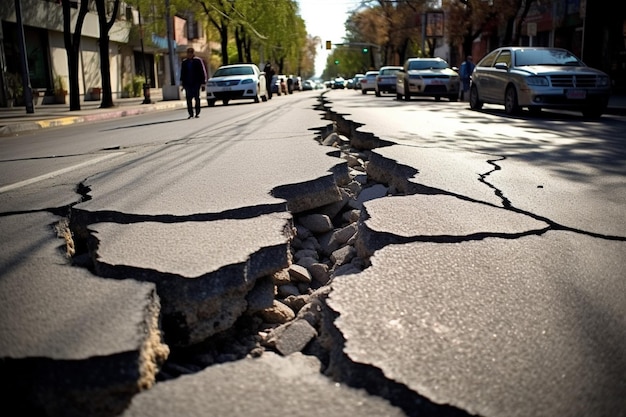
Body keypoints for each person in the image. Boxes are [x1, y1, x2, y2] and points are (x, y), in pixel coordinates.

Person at [180, 47, 207, 118]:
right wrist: (182, 83)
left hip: (196, 82)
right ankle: (190, 113)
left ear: (192, 53)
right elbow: (182, 73)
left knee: (197, 97)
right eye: (188, 53)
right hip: (187, 83)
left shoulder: (198, 61)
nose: (189, 55)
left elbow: (202, 71)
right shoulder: (185, 62)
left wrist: (203, 82)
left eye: (190, 53)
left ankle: (197, 112)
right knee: (188, 98)